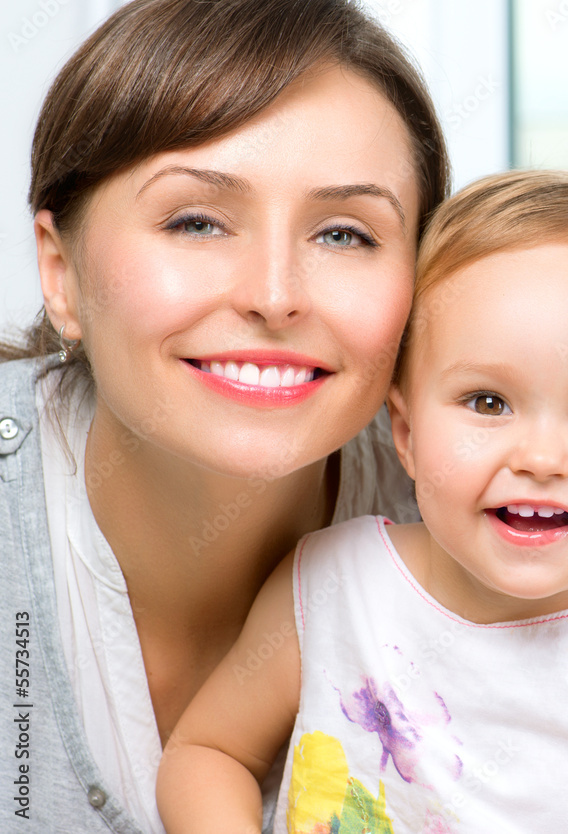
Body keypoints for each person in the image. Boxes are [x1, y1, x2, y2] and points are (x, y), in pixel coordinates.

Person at [157, 170, 568, 833]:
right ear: (404, 432)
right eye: (488, 402)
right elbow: (207, 755)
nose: (542, 459)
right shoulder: (332, 589)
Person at [0, 1, 449, 831]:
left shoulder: (504, 494)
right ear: (60, 275)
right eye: (196, 221)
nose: (273, 296)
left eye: (345, 235)